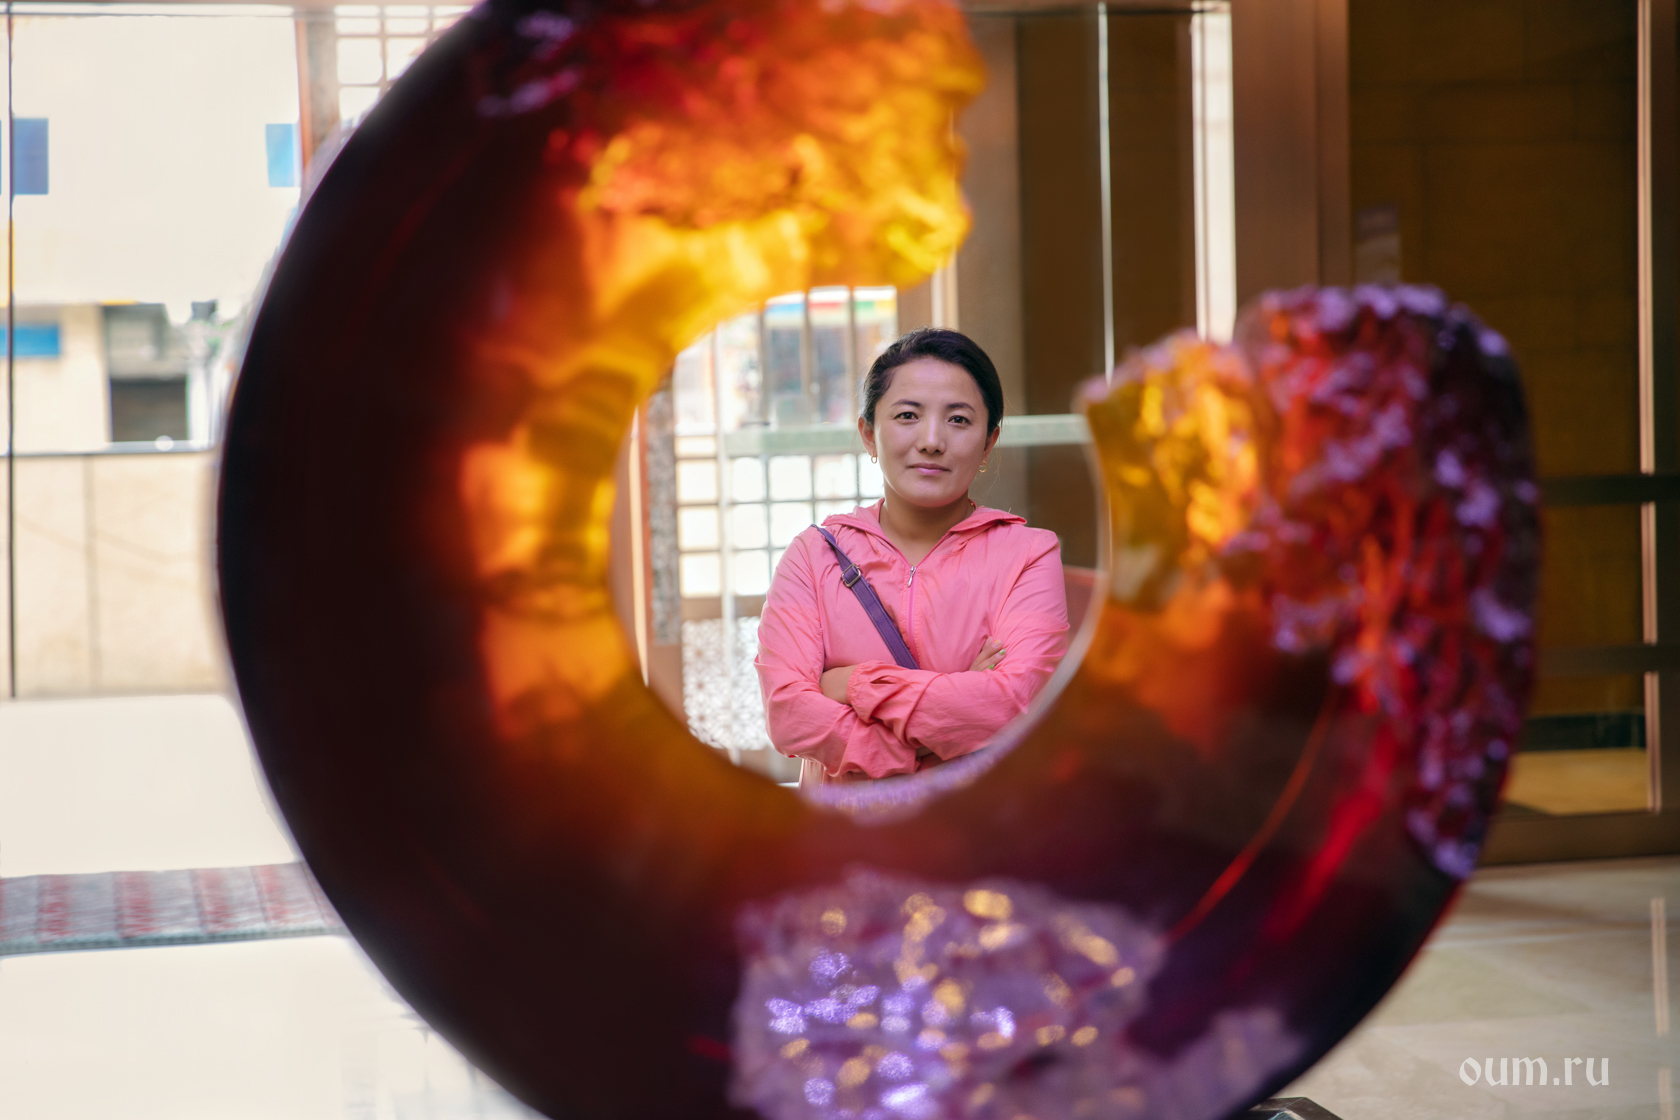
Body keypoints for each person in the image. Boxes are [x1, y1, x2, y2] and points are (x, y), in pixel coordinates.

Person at [755, 328, 1071, 785]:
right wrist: (938, 728)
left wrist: (852, 683)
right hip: (844, 826)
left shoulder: (1029, 555)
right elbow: (788, 716)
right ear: (868, 434)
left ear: (989, 442)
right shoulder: (813, 556)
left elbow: (1012, 705)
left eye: (958, 419)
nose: (931, 440)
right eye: (907, 415)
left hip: (975, 823)